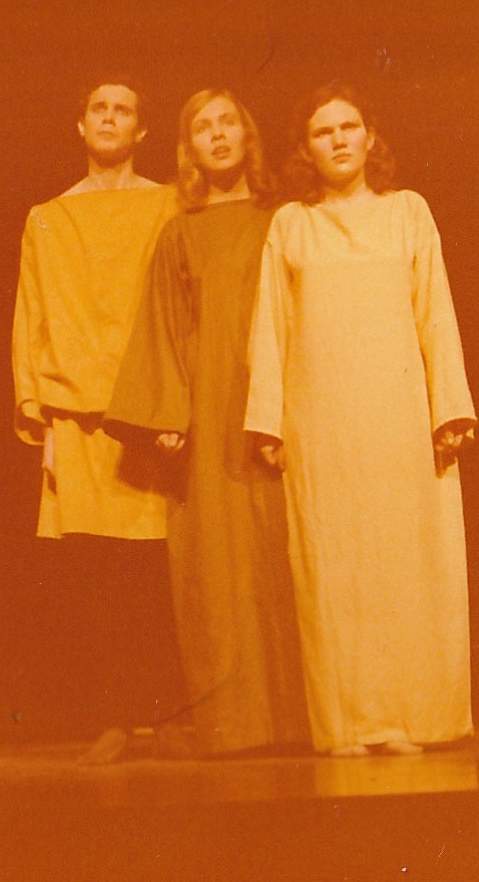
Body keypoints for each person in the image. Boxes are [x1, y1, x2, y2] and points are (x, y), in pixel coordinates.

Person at [244, 82, 477, 757]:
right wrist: (268, 421)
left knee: (405, 563)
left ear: (370, 136)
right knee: (336, 567)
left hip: (398, 417)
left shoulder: (408, 212)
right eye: (323, 132)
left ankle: (418, 718)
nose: (339, 140)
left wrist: (449, 407)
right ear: (306, 149)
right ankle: (350, 724)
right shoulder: (292, 225)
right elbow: (271, 328)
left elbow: (435, 311)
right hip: (323, 424)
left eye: (349, 126)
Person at [105, 89, 309, 756]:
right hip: (213, 418)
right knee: (220, 570)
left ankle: (308, 718)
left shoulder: (287, 220)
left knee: (291, 553)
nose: (217, 135)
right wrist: (166, 413)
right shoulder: (181, 233)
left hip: (290, 408)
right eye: (202, 127)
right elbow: (165, 326)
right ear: (188, 148)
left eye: (228, 123)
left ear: (248, 136)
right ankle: (238, 724)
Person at [11, 78, 181, 763]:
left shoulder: (168, 204)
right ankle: (114, 718)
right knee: (97, 572)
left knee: (159, 566)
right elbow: (31, 317)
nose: (110, 119)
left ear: (142, 131)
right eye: (99, 109)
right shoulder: (48, 218)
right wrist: (41, 419)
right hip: (79, 416)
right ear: (80, 125)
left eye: (124, 110)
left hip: (151, 408)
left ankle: (167, 716)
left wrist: (176, 401)